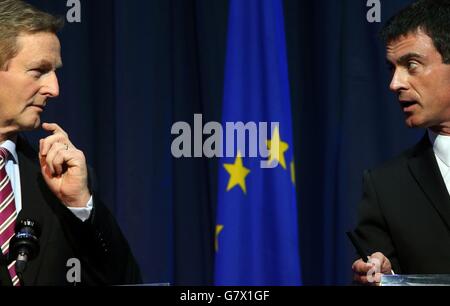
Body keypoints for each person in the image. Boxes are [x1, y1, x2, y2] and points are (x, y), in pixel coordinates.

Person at [0, 0, 141, 285]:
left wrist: (80, 205)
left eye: (55, 72)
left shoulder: (60, 177)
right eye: (38, 71)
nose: (54, 89)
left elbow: (125, 280)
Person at [352, 0, 450, 284]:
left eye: (411, 65)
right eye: (392, 68)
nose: (395, 84)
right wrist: (389, 279)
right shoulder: (384, 188)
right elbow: (376, 273)